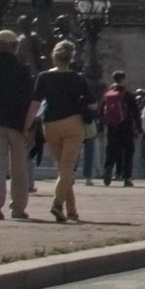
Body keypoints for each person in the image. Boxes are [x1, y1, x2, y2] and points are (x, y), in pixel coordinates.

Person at [30, 41, 94, 223]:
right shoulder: (79, 78)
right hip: (73, 124)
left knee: (63, 168)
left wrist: (27, 125)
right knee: (67, 168)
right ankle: (57, 204)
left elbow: (35, 103)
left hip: (51, 125)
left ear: (54, 56)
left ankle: (72, 210)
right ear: (71, 58)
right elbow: (93, 104)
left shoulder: (43, 77)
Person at [0, 30, 36, 221]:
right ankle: (18, 208)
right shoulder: (22, 69)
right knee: (19, 168)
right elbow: (28, 99)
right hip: (17, 125)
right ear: (14, 46)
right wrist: (28, 126)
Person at [98, 71, 138, 186]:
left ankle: (109, 168)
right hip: (126, 127)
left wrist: (101, 128)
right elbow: (135, 113)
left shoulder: (107, 95)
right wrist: (139, 129)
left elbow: (101, 113)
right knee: (128, 152)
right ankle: (127, 177)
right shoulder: (128, 95)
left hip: (112, 127)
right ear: (123, 79)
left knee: (111, 149)